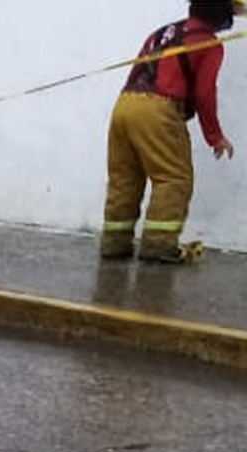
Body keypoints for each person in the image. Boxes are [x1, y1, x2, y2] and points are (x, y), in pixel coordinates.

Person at [102, 0, 243, 264]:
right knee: (173, 178)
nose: (232, 19)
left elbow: (137, 71)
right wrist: (215, 136)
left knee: (124, 179)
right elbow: (204, 94)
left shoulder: (161, 33)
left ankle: (114, 244)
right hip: (159, 108)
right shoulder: (208, 43)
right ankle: (158, 246)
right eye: (232, 12)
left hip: (124, 105)